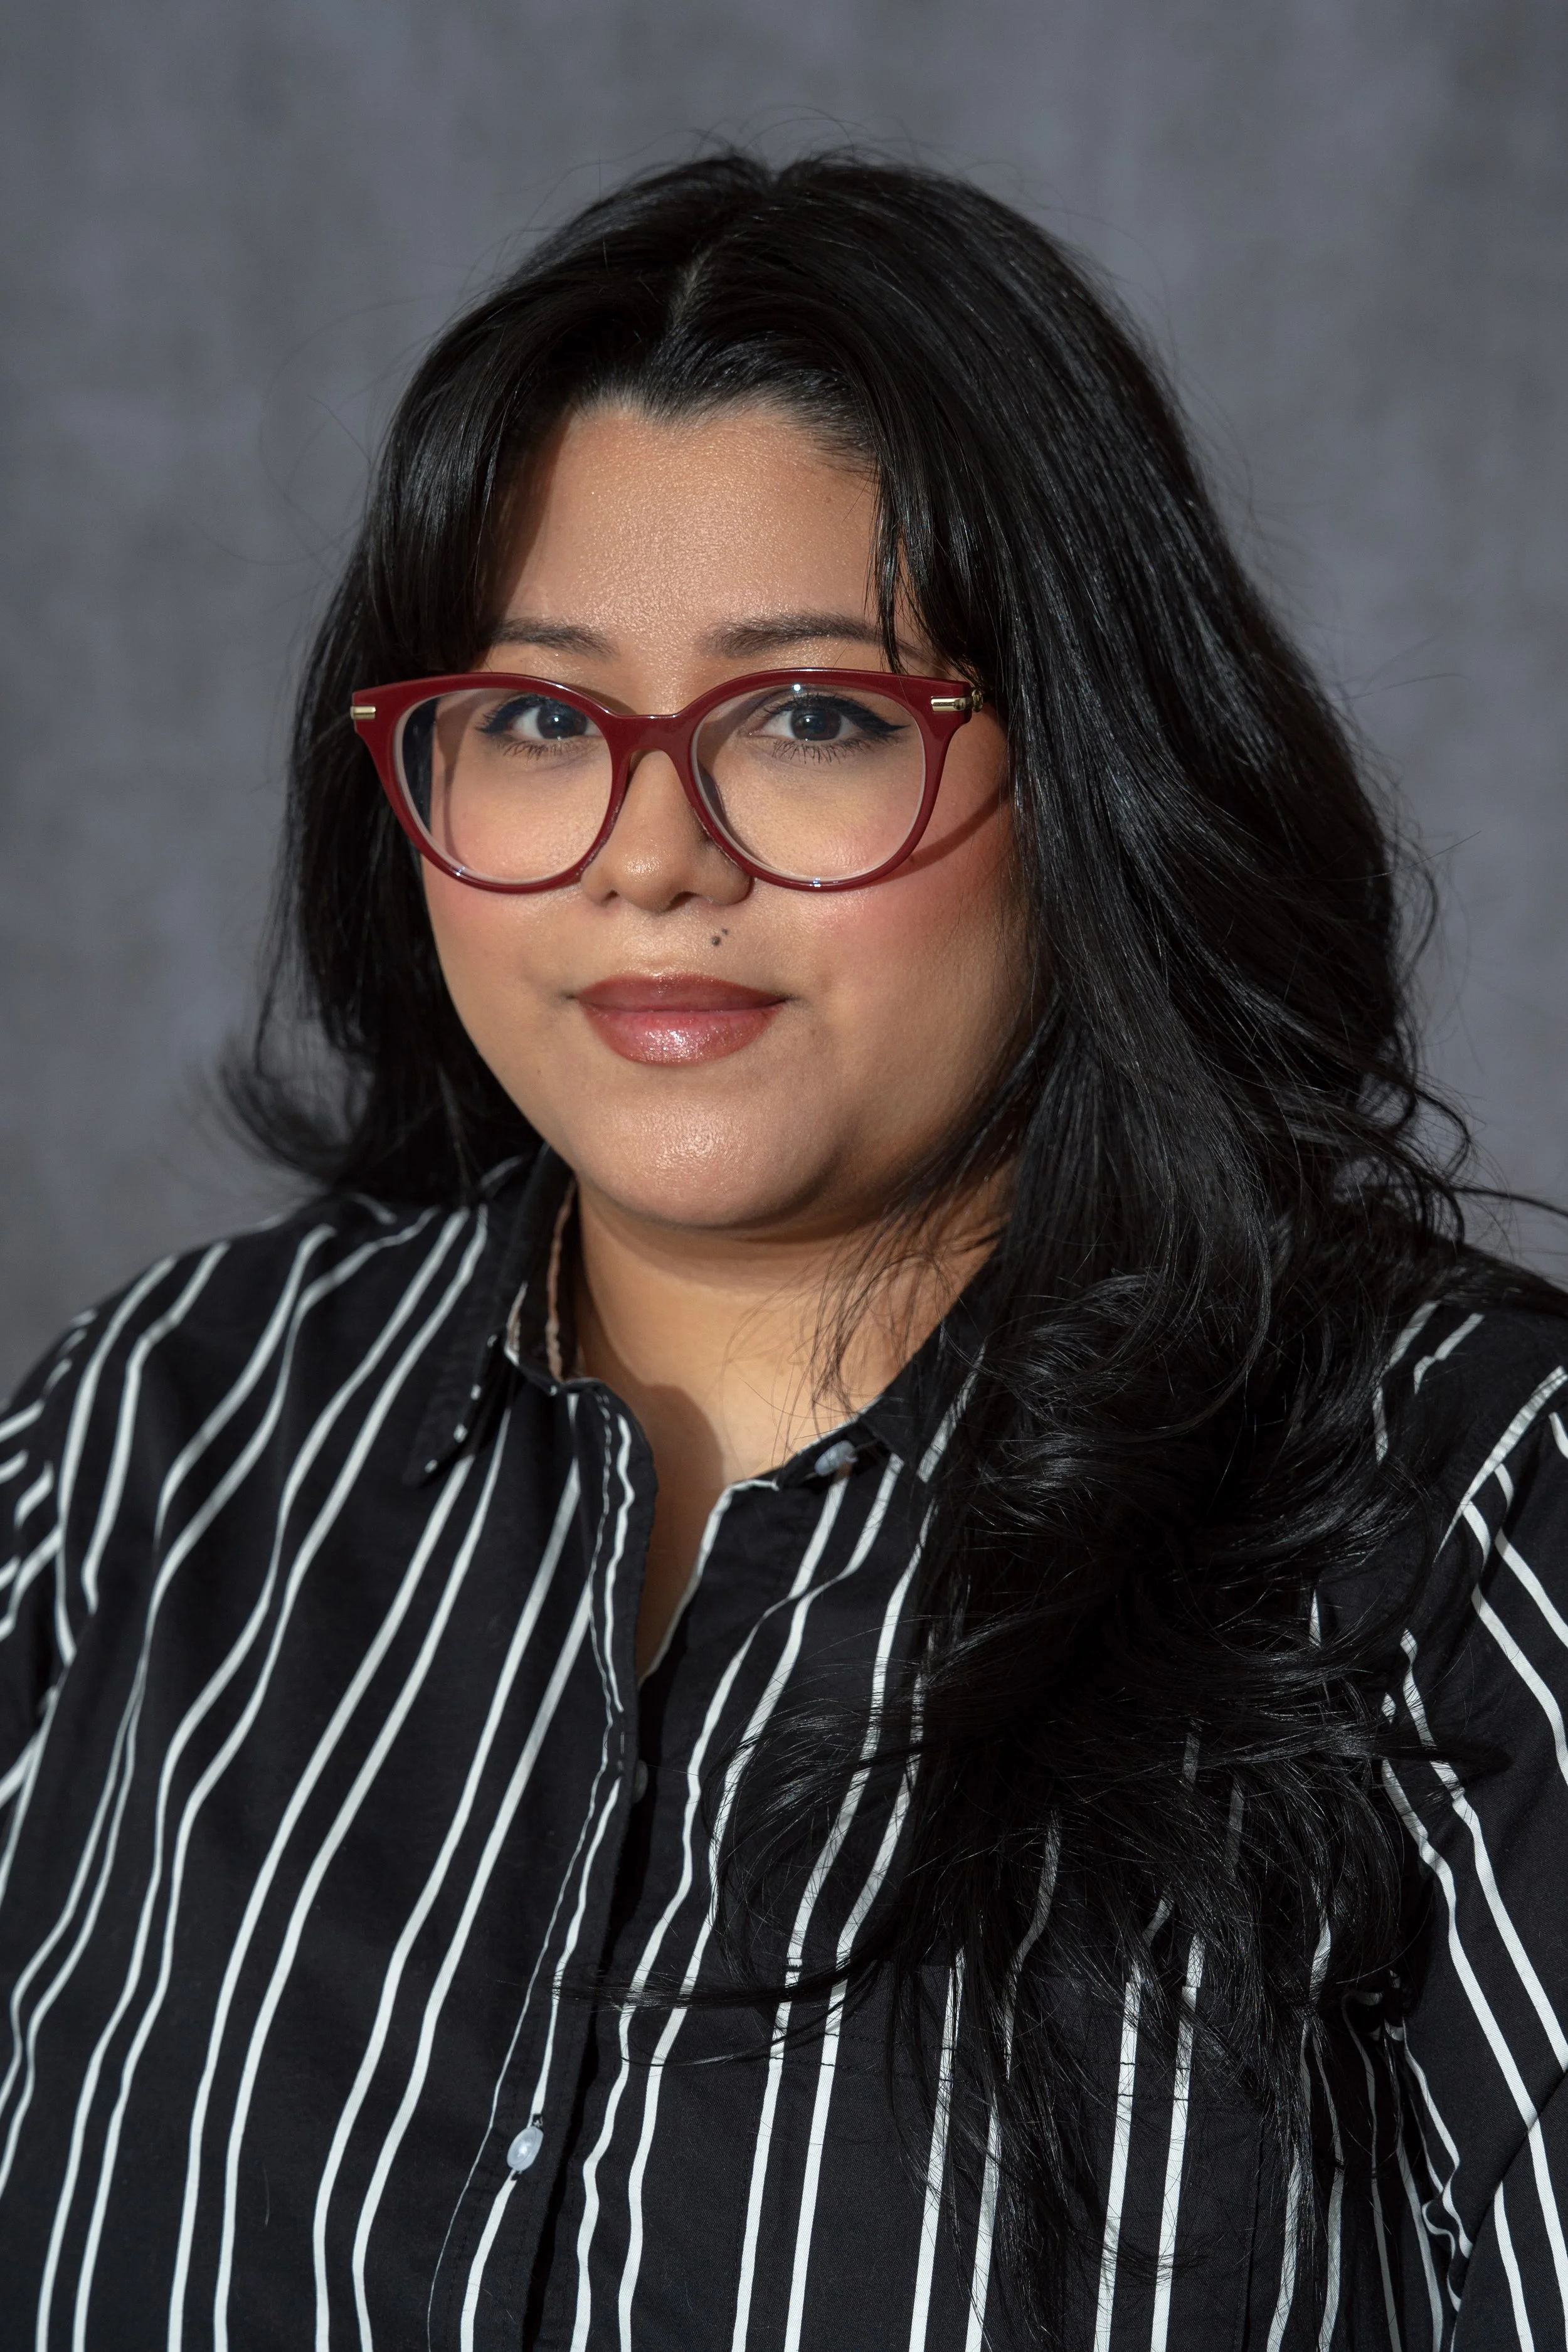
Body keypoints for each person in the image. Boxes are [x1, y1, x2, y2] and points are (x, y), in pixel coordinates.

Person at [1, 149, 1565, 2352]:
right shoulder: (148, 1445)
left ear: (1091, 776)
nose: (647, 855)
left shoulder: (1472, 1518)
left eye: (813, 718)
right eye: (540, 721)